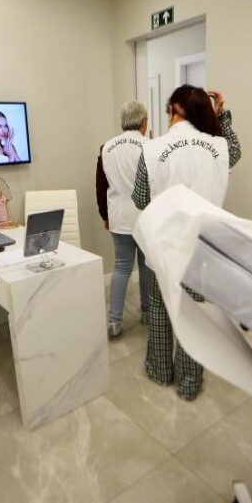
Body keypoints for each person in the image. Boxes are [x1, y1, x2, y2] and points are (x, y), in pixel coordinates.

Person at [132, 85, 242, 400]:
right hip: (201, 249)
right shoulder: (219, 147)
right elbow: (236, 150)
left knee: (159, 309)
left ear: (173, 110)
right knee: (194, 316)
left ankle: (160, 371)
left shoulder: (152, 149)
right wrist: (222, 114)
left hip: (162, 247)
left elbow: (140, 198)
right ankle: (189, 382)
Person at [96, 101, 150, 338]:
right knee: (146, 266)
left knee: (120, 267)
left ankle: (114, 321)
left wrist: (105, 215)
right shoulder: (150, 147)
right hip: (146, 217)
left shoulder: (106, 147)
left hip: (118, 217)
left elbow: (101, 186)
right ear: (143, 122)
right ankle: (147, 313)